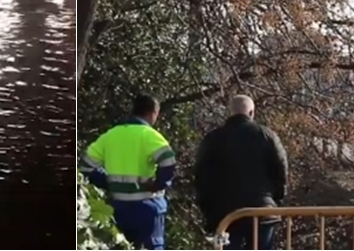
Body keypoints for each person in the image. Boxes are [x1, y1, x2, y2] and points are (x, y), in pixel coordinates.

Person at [80, 95, 176, 250]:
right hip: (147, 208)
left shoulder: (110, 136)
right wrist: (159, 183)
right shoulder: (149, 135)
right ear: (153, 112)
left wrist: (107, 182)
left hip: (117, 209)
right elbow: (168, 160)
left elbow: (85, 166)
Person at [194, 95, 288, 250]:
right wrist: (275, 199)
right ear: (251, 113)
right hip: (262, 210)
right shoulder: (267, 136)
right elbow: (281, 170)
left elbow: (202, 176)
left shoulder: (213, 139)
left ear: (230, 112)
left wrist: (208, 209)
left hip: (226, 214)